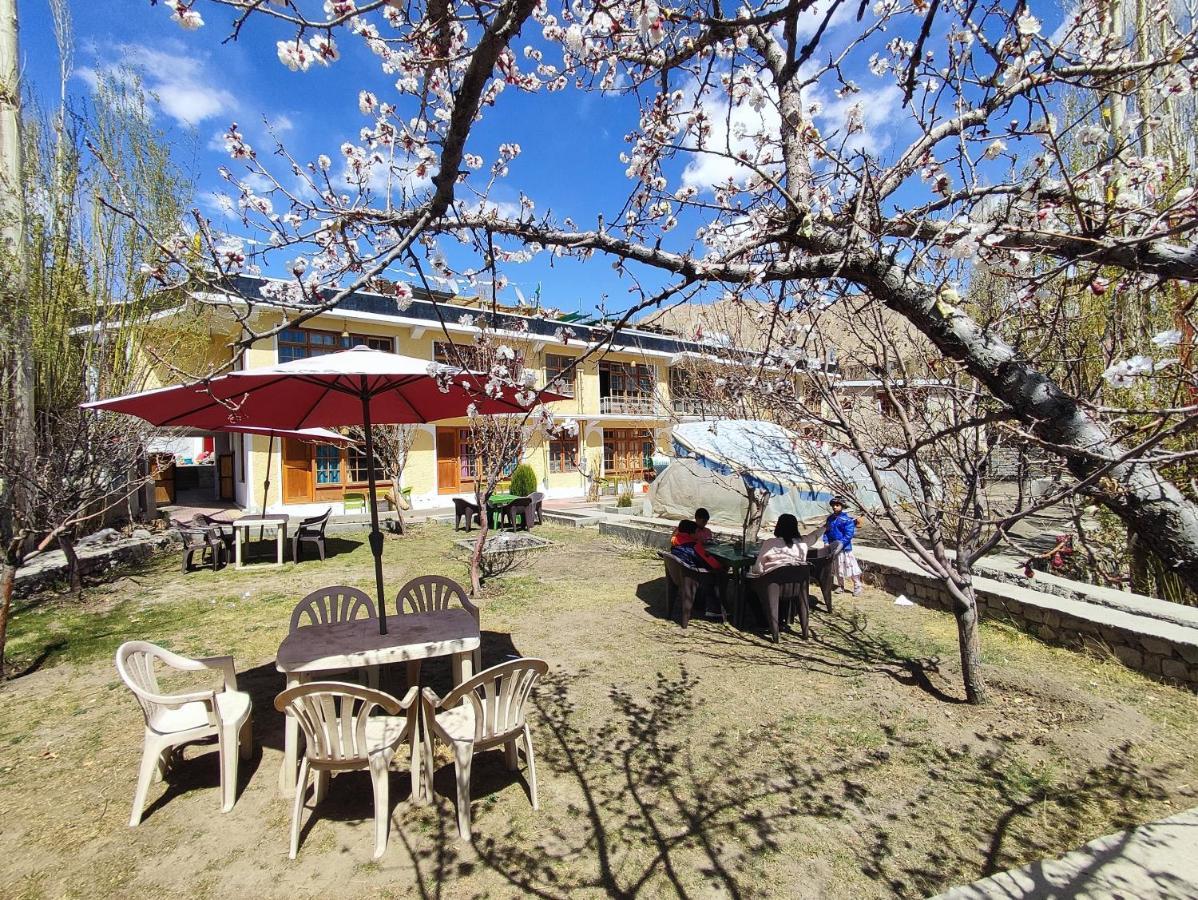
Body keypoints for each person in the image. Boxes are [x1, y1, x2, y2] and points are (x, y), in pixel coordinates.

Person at [671, 519, 725, 619]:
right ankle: (713, 608)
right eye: (696, 532)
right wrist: (722, 566)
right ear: (691, 534)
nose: (698, 534)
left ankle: (699, 603)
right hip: (694, 576)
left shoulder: (675, 541)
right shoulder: (694, 546)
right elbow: (712, 563)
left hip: (680, 575)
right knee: (719, 574)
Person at [824, 498, 863, 595]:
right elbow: (826, 531)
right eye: (833, 505)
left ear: (842, 507)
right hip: (833, 548)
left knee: (850, 567)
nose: (834, 507)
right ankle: (840, 586)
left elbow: (848, 535)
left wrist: (840, 544)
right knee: (837, 568)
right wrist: (826, 541)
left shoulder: (847, 520)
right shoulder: (830, 519)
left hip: (844, 548)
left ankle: (857, 586)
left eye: (837, 505)